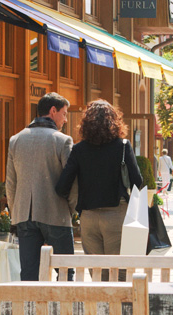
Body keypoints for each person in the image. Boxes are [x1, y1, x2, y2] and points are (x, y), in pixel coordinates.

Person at [55, 99, 144, 262]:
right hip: (117, 212)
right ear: (115, 121)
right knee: (118, 269)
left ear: (86, 123)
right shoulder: (123, 146)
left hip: (89, 216)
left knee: (96, 270)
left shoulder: (79, 149)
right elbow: (137, 181)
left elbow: (62, 186)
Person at [7, 92, 77, 282]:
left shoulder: (16, 140)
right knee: (65, 272)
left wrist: (16, 214)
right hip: (56, 213)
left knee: (29, 274)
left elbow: (11, 183)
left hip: (24, 215)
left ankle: (31, 311)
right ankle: (62, 311)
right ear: (53, 111)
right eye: (64, 114)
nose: (65, 120)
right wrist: (71, 209)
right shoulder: (62, 140)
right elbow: (71, 181)